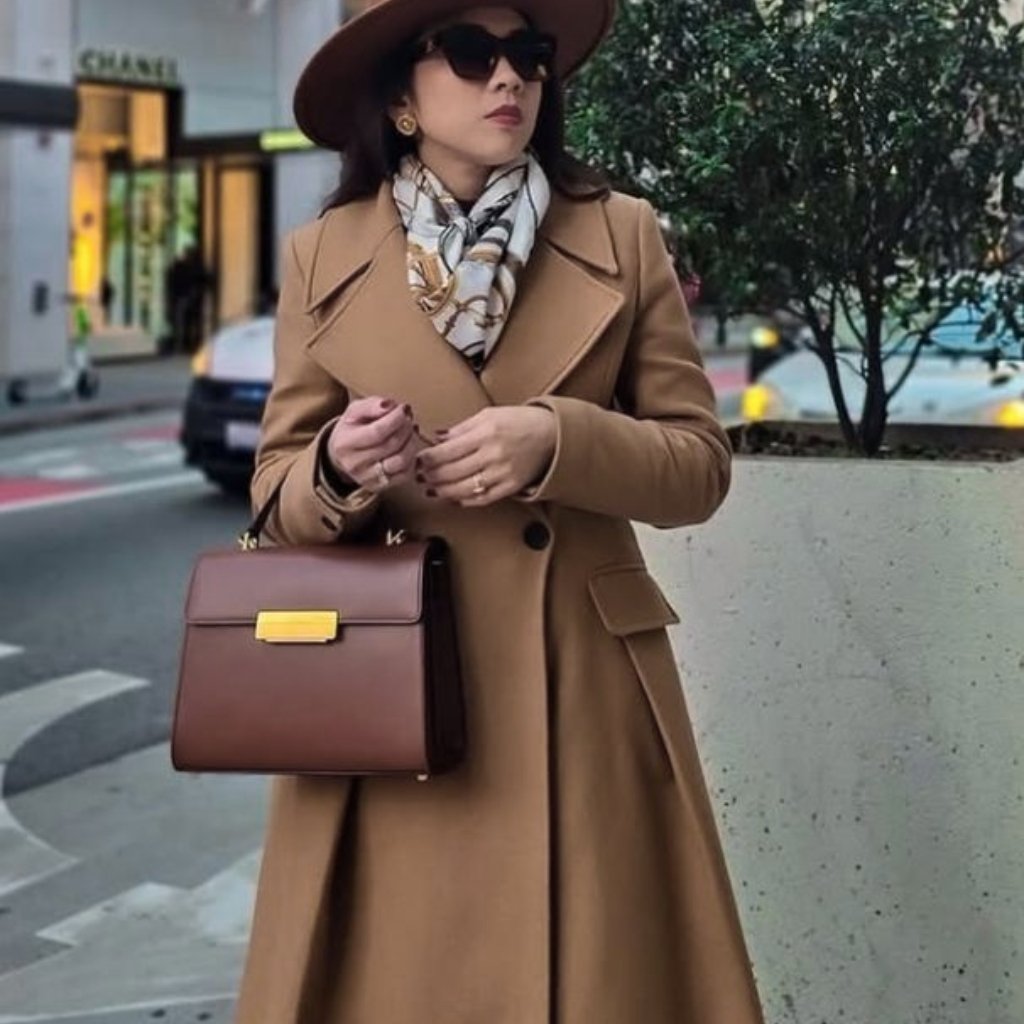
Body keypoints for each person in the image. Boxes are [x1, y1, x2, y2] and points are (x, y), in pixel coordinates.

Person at [235, 1, 765, 1021]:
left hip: (581, 688)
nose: (508, 78)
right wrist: (339, 467)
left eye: (526, 53)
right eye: (473, 54)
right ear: (400, 97)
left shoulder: (620, 232)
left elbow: (698, 467)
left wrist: (559, 441)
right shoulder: (322, 254)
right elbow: (276, 495)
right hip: (390, 695)